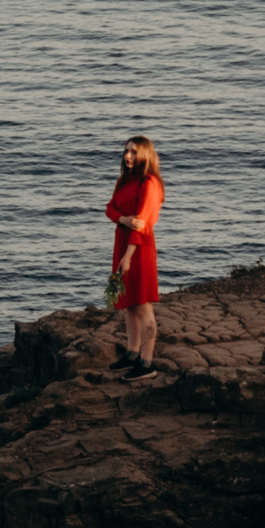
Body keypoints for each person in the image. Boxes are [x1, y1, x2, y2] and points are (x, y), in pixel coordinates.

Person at [105, 135, 165, 375]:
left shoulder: (149, 183)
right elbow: (109, 209)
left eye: (134, 152)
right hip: (122, 244)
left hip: (138, 249)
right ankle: (131, 354)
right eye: (126, 151)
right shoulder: (124, 180)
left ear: (145, 155)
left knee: (142, 305)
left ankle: (146, 363)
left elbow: (141, 226)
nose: (128, 156)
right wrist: (123, 219)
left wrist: (128, 256)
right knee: (128, 303)